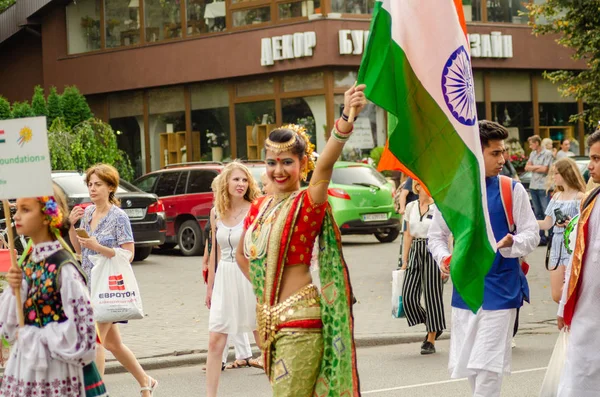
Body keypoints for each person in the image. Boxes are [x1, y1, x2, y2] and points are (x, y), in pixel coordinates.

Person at [236, 84, 366, 396]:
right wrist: (264, 298)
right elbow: (243, 256)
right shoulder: (259, 208)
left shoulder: (307, 203)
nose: (278, 170)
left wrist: (347, 117)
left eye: (287, 162)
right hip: (268, 325)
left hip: (302, 322)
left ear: (302, 164)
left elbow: (326, 165)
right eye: (271, 162)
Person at [428, 120, 539, 397]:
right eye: (495, 153)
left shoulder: (511, 189)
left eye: (503, 152)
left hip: (502, 289)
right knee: (472, 368)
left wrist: (515, 242)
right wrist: (445, 259)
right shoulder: (453, 191)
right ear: (476, 153)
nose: (502, 159)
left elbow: (532, 233)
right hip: (466, 290)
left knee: (489, 368)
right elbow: (436, 237)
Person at [0, 187, 108, 397]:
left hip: (62, 372)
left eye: (25, 209)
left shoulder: (63, 267)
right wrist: (15, 290)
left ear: (46, 216)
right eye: (16, 208)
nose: (16, 215)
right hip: (30, 370)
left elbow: (84, 333)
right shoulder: (30, 264)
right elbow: (8, 327)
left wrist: (35, 336)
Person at [69, 164, 157, 396]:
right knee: (113, 344)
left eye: (98, 184)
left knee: (96, 340)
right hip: (89, 283)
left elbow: (129, 253)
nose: (92, 189)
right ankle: (146, 381)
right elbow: (79, 248)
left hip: (107, 286)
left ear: (110, 187)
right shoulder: (87, 213)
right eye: (90, 184)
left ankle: (96, 393)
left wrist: (100, 248)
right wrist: (71, 225)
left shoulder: (119, 217)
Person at [204, 161, 262, 397]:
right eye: (236, 179)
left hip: (249, 277)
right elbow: (214, 254)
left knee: (265, 343)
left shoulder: (256, 209)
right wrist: (210, 288)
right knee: (215, 342)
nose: (241, 184)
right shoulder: (216, 211)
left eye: (245, 180)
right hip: (224, 280)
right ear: (226, 182)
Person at [557, 129, 600, 396]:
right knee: (579, 380)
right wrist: (564, 305)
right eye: (592, 158)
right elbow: (577, 260)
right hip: (586, 312)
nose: (591, 165)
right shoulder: (591, 199)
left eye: (597, 159)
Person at [401, 180, 445, 355]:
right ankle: (433, 322)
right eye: (423, 184)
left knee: (432, 296)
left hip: (433, 251)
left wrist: (445, 261)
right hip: (415, 251)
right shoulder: (411, 207)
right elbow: (407, 234)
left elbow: (446, 236)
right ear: (417, 187)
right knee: (408, 297)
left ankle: (431, 339)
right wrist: (404, 260)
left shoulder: (439, 208)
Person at [537, 158, 585, 303]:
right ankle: (566, 319)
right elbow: (546, 223)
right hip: (557, 245)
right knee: (557, 295)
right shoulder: (556, 196)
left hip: (572, 245)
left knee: (573, 291)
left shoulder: (581, 197)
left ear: (566, 174)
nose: (553, 177)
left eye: (556, 173)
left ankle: (571, 322)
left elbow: (585, 224)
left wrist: (571, 224)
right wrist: (524, 221)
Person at [525, 134, 554, 245]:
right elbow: (527, 167)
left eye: (531, 144)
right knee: (538, 213)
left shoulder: (547, 153)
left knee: (547, 211)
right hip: (534, 185)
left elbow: (545, 169)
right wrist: (537, 167)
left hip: (543, 186)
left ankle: (551, 236)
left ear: (537, 143)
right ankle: (541, 237)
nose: (530, 146)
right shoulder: (532, 153)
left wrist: (533, 167)